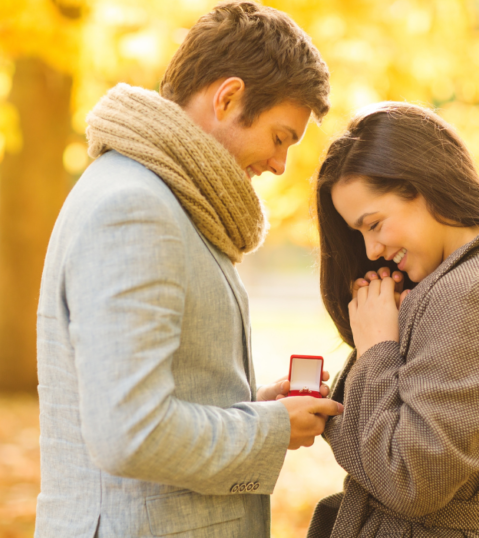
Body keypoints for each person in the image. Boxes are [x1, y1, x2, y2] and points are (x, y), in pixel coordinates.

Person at [35, 2, 343, 537]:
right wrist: (268, 429)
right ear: (228, 98)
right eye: (279, 137)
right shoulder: (135, 208)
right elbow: (130, 431)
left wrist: (251, 407)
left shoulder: (168, 199)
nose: (279, 165)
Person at [307, 102, 479, 538]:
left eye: (374, 224)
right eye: (359, 233)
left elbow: (412, 481)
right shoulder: (457, 281)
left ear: (424, 185)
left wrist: (378, 348)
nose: (371, 250)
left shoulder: (478, 290)